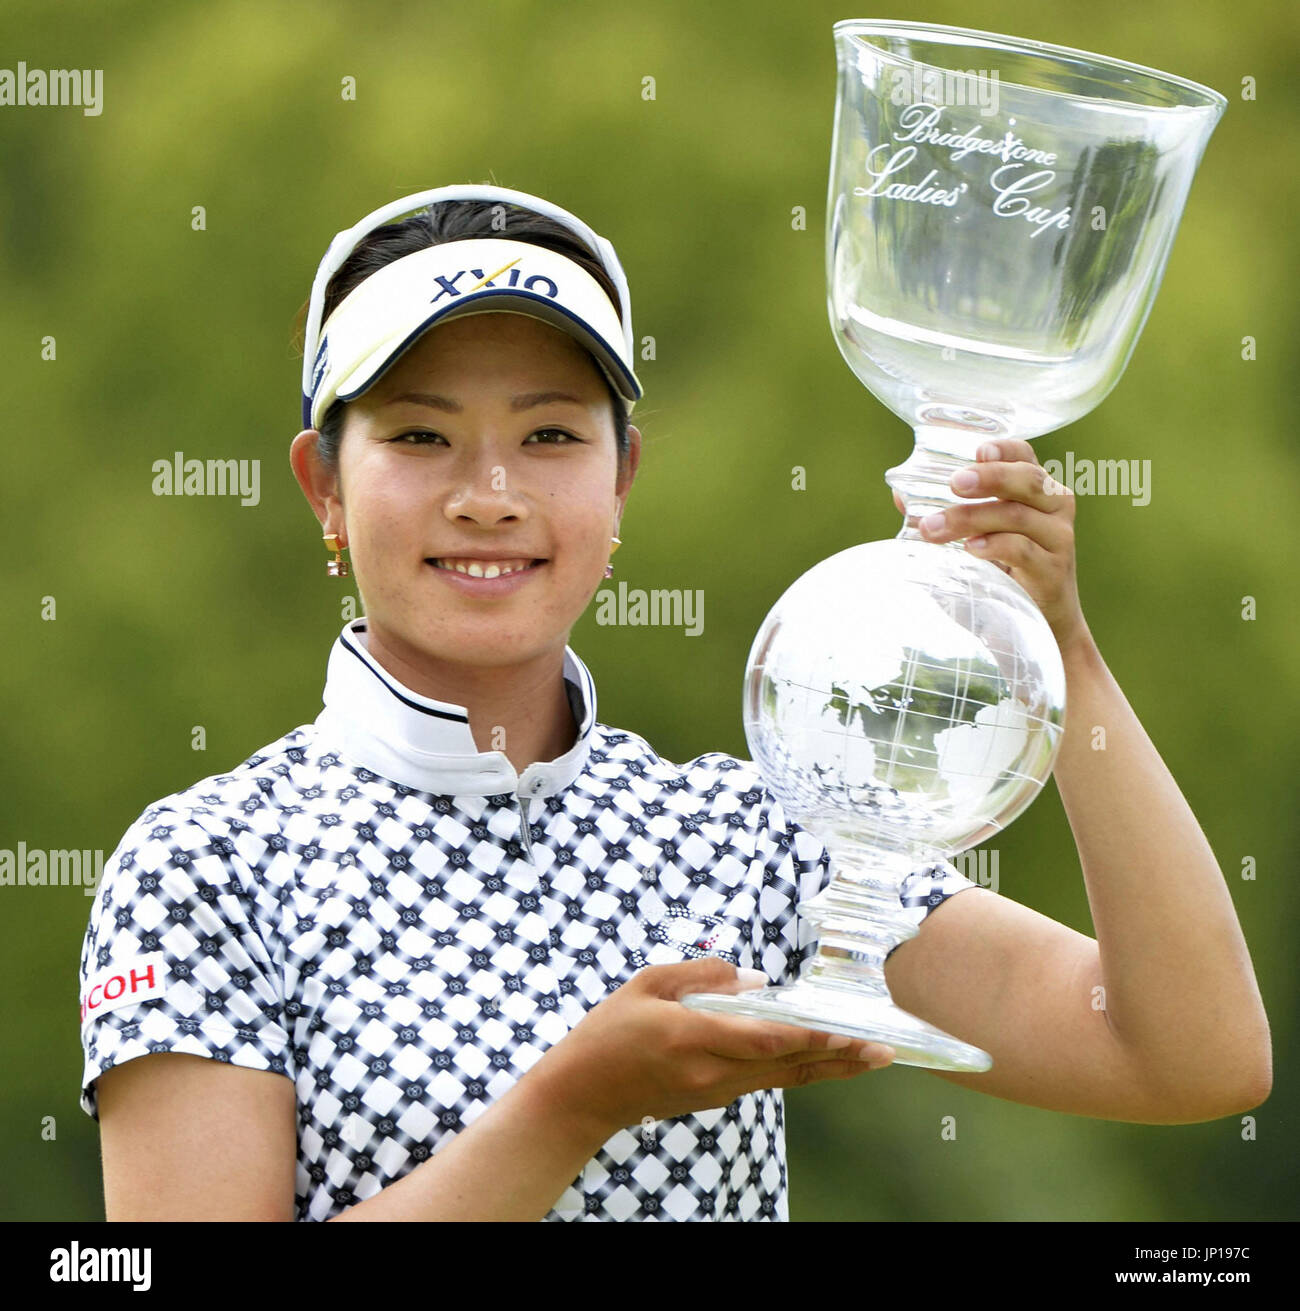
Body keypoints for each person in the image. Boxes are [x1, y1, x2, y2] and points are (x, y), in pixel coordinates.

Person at [78, 183, 1272, 1223]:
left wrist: (1061, 646)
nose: (489, 495)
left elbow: (1187, 1054)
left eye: (548, 433)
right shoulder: (206, 866)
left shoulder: (746, 836)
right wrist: (574, 1105)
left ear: (623, 478)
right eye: (420, 436)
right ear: (323, 489)